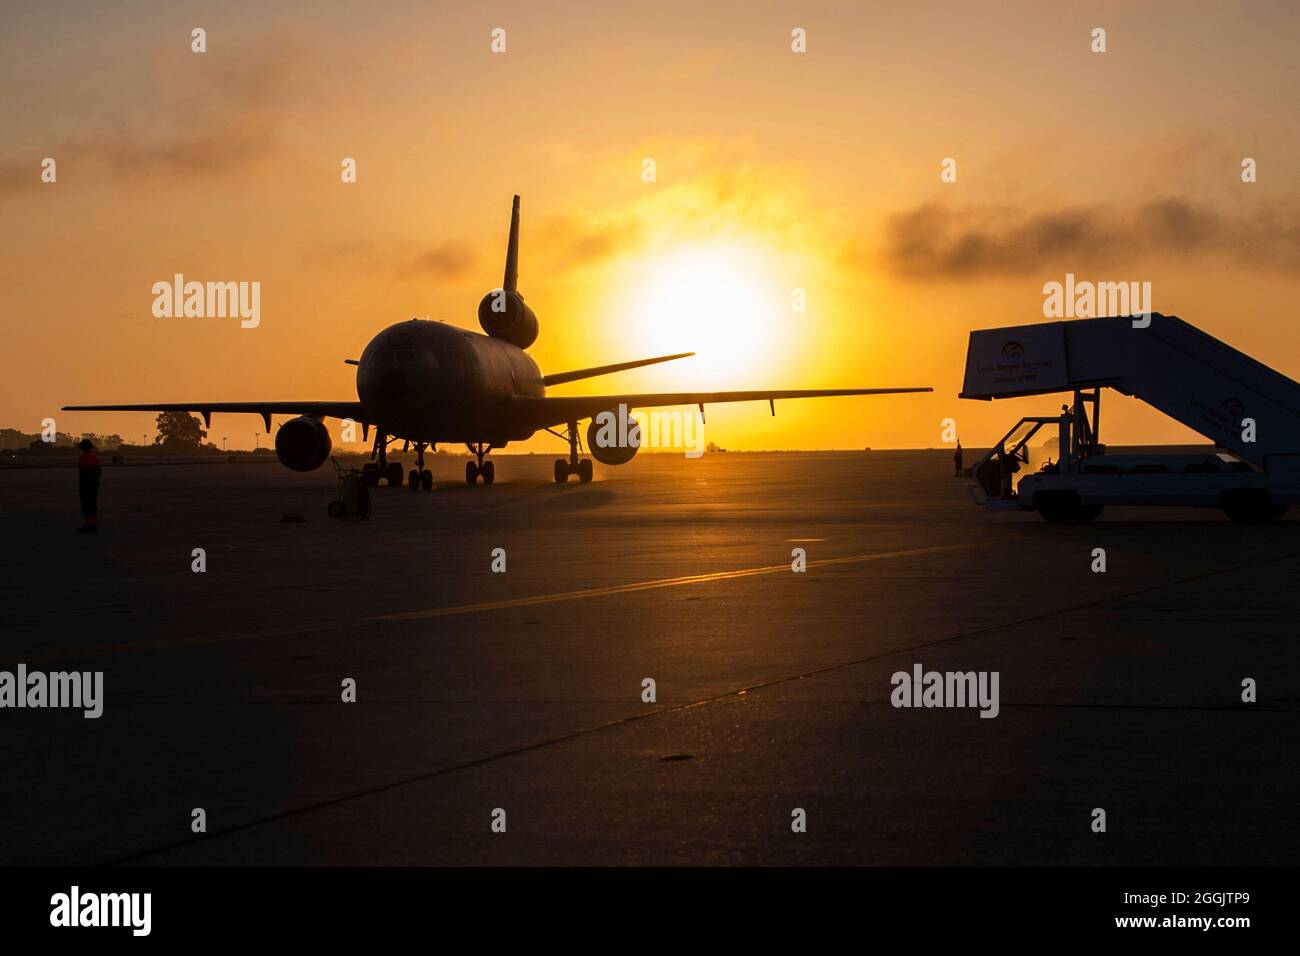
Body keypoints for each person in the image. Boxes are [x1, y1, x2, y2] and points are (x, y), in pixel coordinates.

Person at [76, 438, 102, 533]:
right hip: (94, 484)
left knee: (86, 505)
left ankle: (88, 524)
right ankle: (93, 524)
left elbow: (82, 471)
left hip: (85, 484)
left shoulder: (82, 457)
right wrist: (96, 481)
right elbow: (99, 471)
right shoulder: (95, 457)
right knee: (93, 504)